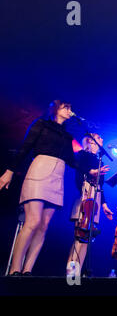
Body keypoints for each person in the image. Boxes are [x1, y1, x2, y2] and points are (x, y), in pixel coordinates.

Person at [0, 100, 76, 276]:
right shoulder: (41, 124)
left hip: (57, 177)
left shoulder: (67, 136)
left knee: (43, 225)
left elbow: (72, 161)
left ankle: (28, 269)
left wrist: (91, 169)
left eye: (70, 108)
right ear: (56, 109)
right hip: (39, 171)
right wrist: (10, 170)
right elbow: (25, 147)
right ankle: (14, 269)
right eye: (66, 107)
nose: (69, 110)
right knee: (32, 222)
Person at [66, 133, 114, 277]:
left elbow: (100, 186)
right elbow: (80, 173)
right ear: (90, 141)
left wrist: (104, 205)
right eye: (99, 138)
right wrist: (93, 173)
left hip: (96, 198)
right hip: (86, 194)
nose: (102, 140)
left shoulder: (99, 159)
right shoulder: (83, 155)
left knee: (87, 239)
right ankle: (70, 277)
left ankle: (77, 274)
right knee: (79, 237)